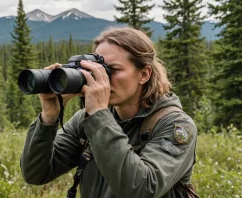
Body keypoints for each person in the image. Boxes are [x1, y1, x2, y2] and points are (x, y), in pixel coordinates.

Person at [20, 26, 198, 198]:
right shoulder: (86, 120)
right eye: (95, 70)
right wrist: (49, 116)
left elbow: (142, 189)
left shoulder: (175, 125)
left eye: (112, 70)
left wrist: (98, 114)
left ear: (144, 74)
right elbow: (36, 173)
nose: (102, 79)